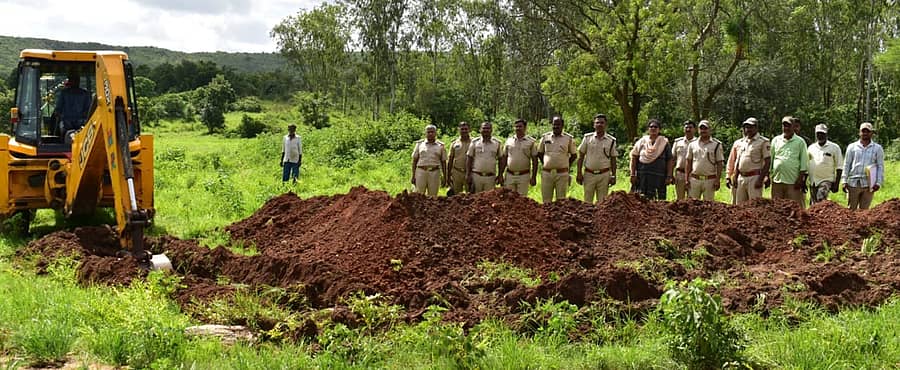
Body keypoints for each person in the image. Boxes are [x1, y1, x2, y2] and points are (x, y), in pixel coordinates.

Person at [842, 122, 884, 210]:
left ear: (871, 133)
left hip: (869, 184)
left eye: (867, 131)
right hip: (853, 182)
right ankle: (850, 224)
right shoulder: (852, 147)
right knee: (851, 210)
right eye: (863, 131)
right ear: (859, 132)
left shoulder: (877, 148)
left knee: (864, 211)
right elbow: (847, 164)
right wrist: (844, 180)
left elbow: (880, 166)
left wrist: (878, 182)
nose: (865, 133)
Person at [728, 117, 770, 204]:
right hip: (741, 177)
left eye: (751, 127)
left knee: (754, 206)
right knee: (739, 206)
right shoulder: (742, 142)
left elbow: (767, 161)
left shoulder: (763, 142)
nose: (748, 129)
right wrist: (735, 176)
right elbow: (738, 160)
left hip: (754, 177)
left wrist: (761, 179)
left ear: (756, 128)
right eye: (746, 127)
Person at [576, 114, 617, 203]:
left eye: (602, 123)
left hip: (604, 175)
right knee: (587, 202)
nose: (599, 125)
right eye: (597, 123)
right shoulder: (587, 138)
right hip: (589, 174)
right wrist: (579, 172)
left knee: (602, 202)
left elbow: (613, 159)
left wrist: (613, 175)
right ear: (594, 125)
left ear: (606, 125)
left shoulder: (611, 140)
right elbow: (581, 156)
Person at [630, 119, 673, 200]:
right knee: (640, 200)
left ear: (659, 129)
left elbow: (670, 160)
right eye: (651, 127)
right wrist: (632, 174)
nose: (653, 128)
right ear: (648, 129)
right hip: (642, 177)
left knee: (658, 202)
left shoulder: (664, 143)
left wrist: (669, 176)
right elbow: (634, 157)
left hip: (659, 178)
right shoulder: (641, 141)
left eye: (655, 127)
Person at [770, 116, 809, 208]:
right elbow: (772, 158)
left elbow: (803, 162)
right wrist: (769, 175)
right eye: (784, 126)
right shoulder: (776, 140)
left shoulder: (800, 142)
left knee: (793, 208)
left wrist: (800, 179)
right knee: (776, 207)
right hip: (777, 180)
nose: (786, 128)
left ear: (793, 127)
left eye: (788, 126)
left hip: (793, 181)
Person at [537, 116, 578, 203]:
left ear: (562, 125)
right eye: (554, 124)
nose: (556, 126)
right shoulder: (545, 137)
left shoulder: (568, 138)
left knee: (561, 201)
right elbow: (540, 153)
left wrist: (566, 165)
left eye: (558, 124)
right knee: (546, 201)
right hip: (547, 174)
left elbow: (574, 155)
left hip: (562, 174)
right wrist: (546, 163)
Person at [684, 120, 724, 201]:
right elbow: (688, 162)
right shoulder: (692, 144)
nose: (703, 131)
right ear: (698, 130)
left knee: (708, 206)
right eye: (701, 128)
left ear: (710, 130)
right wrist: (686, 179)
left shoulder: (716, 144)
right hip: (694, 179)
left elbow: (720, 163)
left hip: (709, 180)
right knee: (692, 204)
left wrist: (717, 180)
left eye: (705, 128)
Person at [807, 123, 843, 205]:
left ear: (826, 134)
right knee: (813, 204)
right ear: (815, 134)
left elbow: (839, 167)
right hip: (813, 181)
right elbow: (807, 164)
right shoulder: (811, 148)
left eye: (822, 134)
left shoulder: (834, 147)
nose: (820, 136)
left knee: (821, 199)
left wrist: (836, 184)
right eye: (818, 134)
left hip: (826, 180)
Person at [500, 119, 538, 195]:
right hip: (510, 175)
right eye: (516, 127)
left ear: (525, 128)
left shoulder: (531, 142)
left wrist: (533, 176)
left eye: (520, 126)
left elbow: (535, 160)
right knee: (508, 199)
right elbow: (504, 158)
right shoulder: (509, 141)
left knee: (522, 200)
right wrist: (500, 174)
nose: (518, 128)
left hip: (523, 176)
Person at [411, 124, 447, 196]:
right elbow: (414, 161)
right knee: (419, 195)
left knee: (433, 196)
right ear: (425, 133)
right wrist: (413, 175)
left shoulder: (441, 146)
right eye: (428, 132)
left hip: (434, 172)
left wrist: (445, 176)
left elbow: (444, 162)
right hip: (421, 172)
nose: (430, 134)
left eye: (432, 132)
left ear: (436, 133)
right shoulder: (419, 144)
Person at [466, 122, 502, 193]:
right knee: (475, 199)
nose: (486, 130)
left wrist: (500, 175)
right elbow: (469, 158)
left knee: (489, 199)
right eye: (484, 128)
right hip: (476, 176)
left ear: (491, 130)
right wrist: (468, 174)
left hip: (490, 177)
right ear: (480, 130)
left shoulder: (497, 143)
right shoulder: (474, 142)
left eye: (488, 128)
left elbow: (501, 159)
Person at [54, 71, 92, 137]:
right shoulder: (85, 94)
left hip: (67, 124)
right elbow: (89, 110)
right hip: (82, 123)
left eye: (75, 80)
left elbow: (58, 110)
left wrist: (59, 117)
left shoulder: (64, 93)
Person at [671, 120, 697, 200]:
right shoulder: (678, 142)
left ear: (694, 129)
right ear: (683, 129)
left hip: (693, 175)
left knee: (692, 199)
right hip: (680, 174)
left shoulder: (698, 142)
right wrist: (671, 174)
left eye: (690, 127)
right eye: (686, 127)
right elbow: (673, 159)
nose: (688, 129)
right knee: (680, 199)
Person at [445, 122, 472, 195]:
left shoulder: (474, 143)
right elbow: (450, 160)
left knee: (470, 195)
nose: (464, 131)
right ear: (459, 130)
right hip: (457, 172)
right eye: (462, 129)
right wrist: (448, 176)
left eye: (466, 129)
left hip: (470, 172)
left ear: (469, 130)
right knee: (456, 196)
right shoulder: (454, 143)